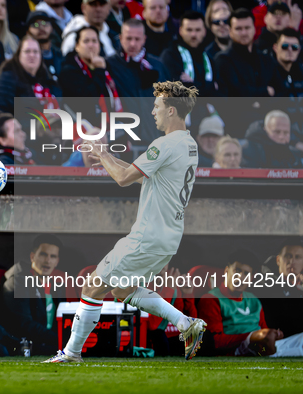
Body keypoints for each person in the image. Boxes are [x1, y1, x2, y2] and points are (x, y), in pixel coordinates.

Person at [44, 81, 206, 363]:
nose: (153, 112)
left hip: (148, 235)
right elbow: (140, 174)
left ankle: (71, 353)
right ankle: (185, 324)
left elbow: (123, 178)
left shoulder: (164, 144)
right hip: (168, 237)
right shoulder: (189, 144)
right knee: (121, 289)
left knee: (92, 285)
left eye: (157, 107)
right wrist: (109, 159)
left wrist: (102, 152)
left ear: (171, 111)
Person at [198, 249, 303, 357]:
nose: (240, 277)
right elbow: (214, 342)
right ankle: (273, 353)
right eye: (237, 271)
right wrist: (250, 337)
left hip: (261, 344)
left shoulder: (253, 299)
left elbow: (265, 331)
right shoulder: (211, 298)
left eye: (246, 274)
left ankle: (275, 353)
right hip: (236, 348)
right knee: (264, 338)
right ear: (226, 271)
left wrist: (275, 335)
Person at [0, 234, 67, 355]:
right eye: (43, 254)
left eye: (53, 256)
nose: (47, 260)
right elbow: (23, 325)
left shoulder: (56, 286)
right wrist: (60, 340)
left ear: (57, 261)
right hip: (26, 347)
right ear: (32, 257)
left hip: (49, 344)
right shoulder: (17, 282)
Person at [106, 18, 169, 143]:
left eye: (137, 39)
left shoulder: (156, 65)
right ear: (120, 38)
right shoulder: (109, 65)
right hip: (124, 141)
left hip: (154, 138)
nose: (133, 44)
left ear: (144, 39)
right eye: (129, 38)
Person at [0, 35, 61, 114]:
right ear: (19, 55)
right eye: (27, 51)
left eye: (35, 51)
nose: (32, 55)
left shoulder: (46, 79)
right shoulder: (5, 79)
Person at [213, 9, 278, 98]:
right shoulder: (222, 60)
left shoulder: (266, 59)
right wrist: (266, 91)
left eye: (247, 28)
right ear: (230, 31)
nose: (244, 33)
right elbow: (236, 92)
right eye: (238, 29)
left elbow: (279, 89)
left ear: (254, 29)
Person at [59, 26, 121, 117]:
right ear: (77, 46)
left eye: (94, 41)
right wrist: (99, 71)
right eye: (86, 41)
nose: (91, 45)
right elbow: (88, 100)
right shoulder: (69, 71)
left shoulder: (106, 65)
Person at [258, 242, 303, 338]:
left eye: (297, 257)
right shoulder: (265, 285)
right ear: (278, 260)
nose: (292, 261)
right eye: (288, 256)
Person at [160, 11, 218, 97]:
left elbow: (219, 94)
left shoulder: (209, 58)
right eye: (189, 30)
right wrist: (210, 86)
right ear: (181, 30)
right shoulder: (170, 55)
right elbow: (178, 93)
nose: (193, 34)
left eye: (197, 30)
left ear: (204, 32)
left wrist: (192, 83)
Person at [147, 263, 197, 356]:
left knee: (203, 338)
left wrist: (188, 295)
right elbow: (152, 325)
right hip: (155, 337)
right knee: (158, 336)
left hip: (174, 337)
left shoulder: (174, 285)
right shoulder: (141, 285)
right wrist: (168, 289)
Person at [273, 28, 303, 98]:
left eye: (294, 47)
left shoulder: (302, 72)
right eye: (284, 46)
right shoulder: (268, 73)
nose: (290, 50)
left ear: (299, 50)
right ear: (275, 48)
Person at [27, 11, 63, 81]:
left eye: (45, 23)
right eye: (35, 25)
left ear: (52, 28)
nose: (41, 27)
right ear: (27, 31)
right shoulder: (25, 57)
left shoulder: (61, 55)